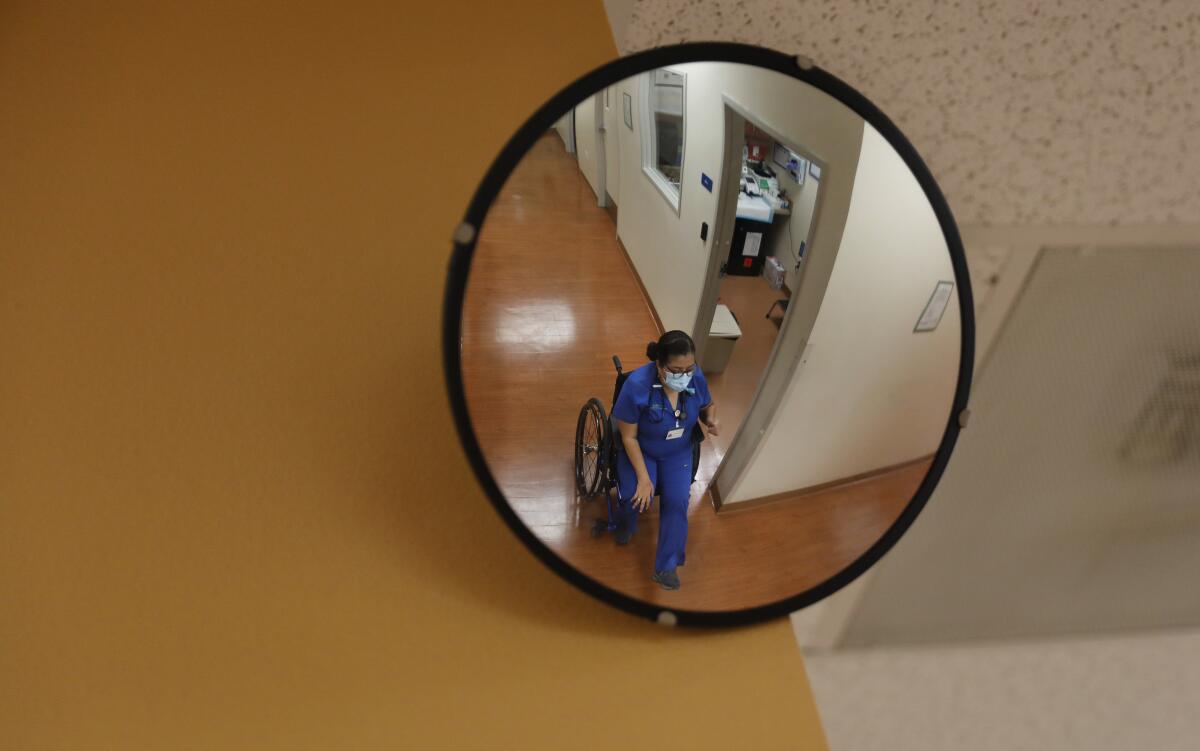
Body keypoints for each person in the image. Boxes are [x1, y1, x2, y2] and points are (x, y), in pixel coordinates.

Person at [612, 330, 719, 590]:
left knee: (677, 502)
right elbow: (628, 438)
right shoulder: (637, 386)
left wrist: (712, 419)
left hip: (678, 451)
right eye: (676, 370)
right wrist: (644, 478)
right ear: (659, 365)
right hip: (643, 449)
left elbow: (708, 404)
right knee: (633, 497)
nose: (684, 376)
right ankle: (626, 523)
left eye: (689, 369)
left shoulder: (695, 377)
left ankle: (666, 567)